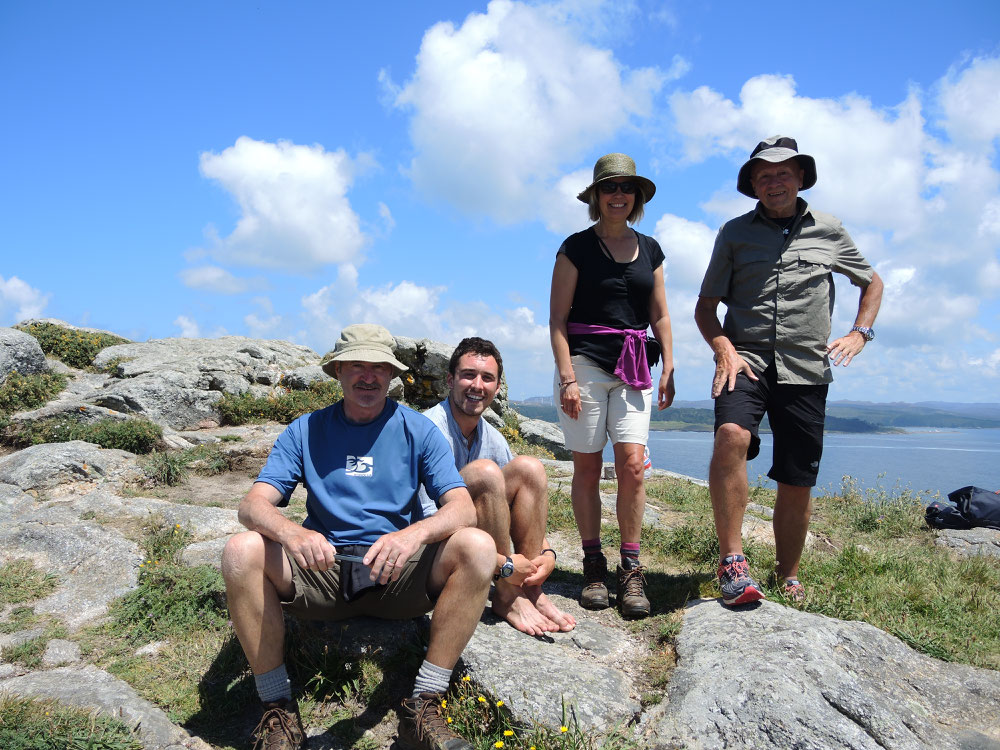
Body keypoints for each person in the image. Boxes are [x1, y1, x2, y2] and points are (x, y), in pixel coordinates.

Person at [221, 324, 497, 750]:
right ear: (337, 371)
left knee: (478, 546)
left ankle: (423, 706)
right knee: (240, 551)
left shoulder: (418, 430)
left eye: (379, 367)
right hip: (323, 572)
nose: (368, 376)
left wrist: (411, 536)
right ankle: (277, 709)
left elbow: (461, 507)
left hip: (398, 573)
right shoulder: (305, 430)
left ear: (392, 376)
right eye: (357, 366)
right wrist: (293, 534)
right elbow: (251, 506)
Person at [694, 136, 884, 606]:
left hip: (806, 369)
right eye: (763, 176)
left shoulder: (831, 229)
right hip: (748, 360)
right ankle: (733, 562)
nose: (773, 182)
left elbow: (872, 281)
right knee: (730, 437)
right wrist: (722, 346)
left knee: (797, 477)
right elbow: (705, 307)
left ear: (800, 178)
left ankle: (787, 574)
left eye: (783, 173)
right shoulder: (734, 233)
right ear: (752, 185)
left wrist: (860, 332)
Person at [549, 152, 675, 619]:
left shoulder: (652, 249)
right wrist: (567, 378)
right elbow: (558, 319)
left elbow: (659, 313)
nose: (618, 195)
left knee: (633, 467)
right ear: (596, 197)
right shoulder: (575, 248)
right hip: (584, 365)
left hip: (636, 366)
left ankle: (631, 567)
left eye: (627, 188)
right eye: (610, 188)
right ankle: (593, 565)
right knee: (586, 468)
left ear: (636, 197)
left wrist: (669, 364)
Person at [419, 337, 576, 635]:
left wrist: (546, 555)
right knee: (485, 473)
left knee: (529, 468)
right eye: (468, 375)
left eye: (487, 378)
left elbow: (519, 504)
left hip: (483, 549)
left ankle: (530, 588)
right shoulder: (427, 431)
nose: (477, 385)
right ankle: (506, 592)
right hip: (434, 557)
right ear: (450, 380)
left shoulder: (492, 437)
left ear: (497, 387)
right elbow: (426, 521)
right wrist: (504, 564)